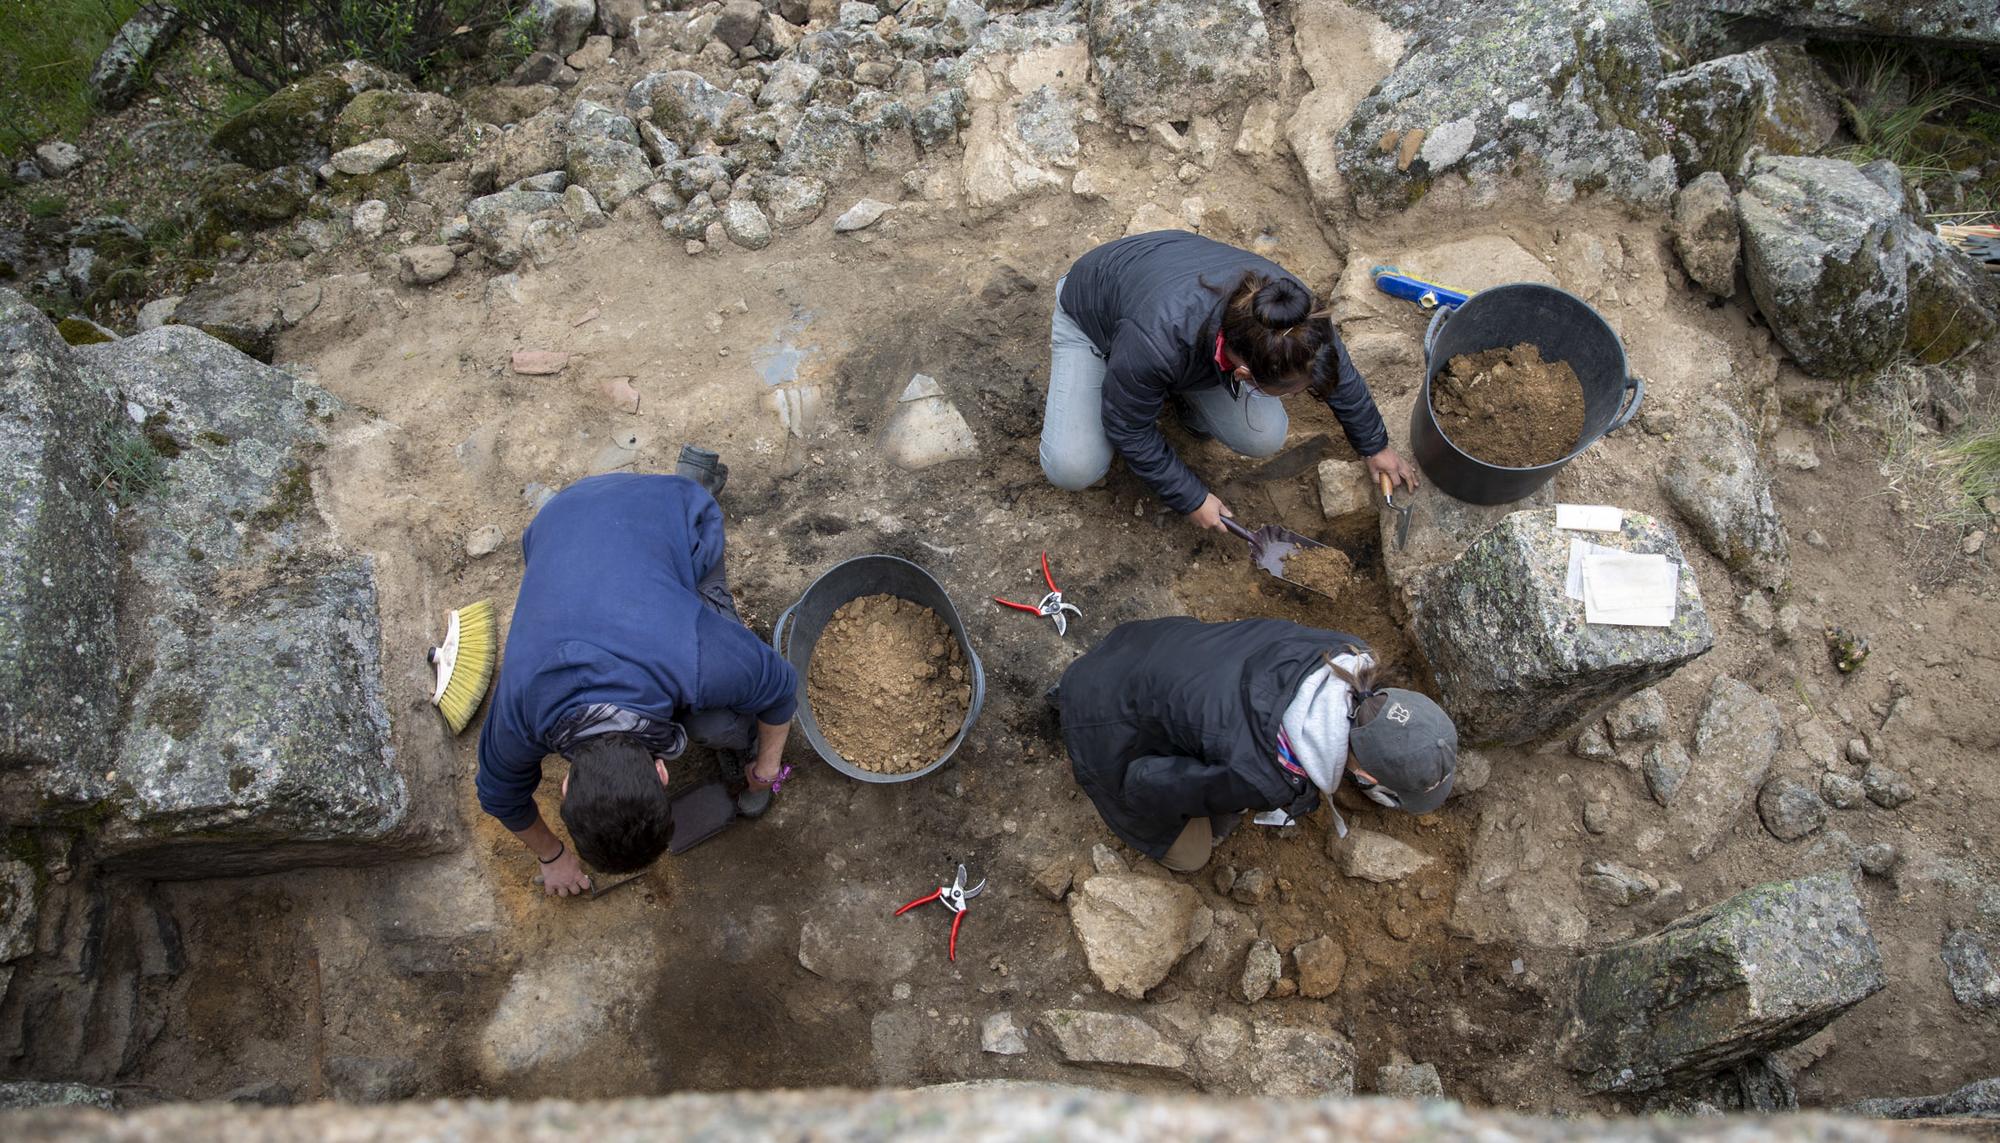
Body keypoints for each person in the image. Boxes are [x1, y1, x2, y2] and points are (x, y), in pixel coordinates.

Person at [476, 469, 796, 896]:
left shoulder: (698, 654)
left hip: (670, 507)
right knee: (709, 718)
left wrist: (767, 764)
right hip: (559, 516)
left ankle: (693, 481)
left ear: (663, 773)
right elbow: (497, 797)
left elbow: (780, 687)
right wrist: (553, 856)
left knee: (718, 725)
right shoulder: (520, 707)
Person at [1041, 230, 1419, 532]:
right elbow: (1129, 428)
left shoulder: (1293, 314)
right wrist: (1191, 498)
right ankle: (1121, 374)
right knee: (1073, 466)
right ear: (1244, 374)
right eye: (1291, 389)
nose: (1301, 393)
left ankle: (1172, 395)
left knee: (1263, 435)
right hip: (1094, 311)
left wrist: (1375, 445)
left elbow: (1337, 372)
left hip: (1169, 297)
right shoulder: (1156, 341)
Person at [1052, 616, 1456, 872]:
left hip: (1142, 643)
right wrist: (1221, 796)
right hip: (1097, 713)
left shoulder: (1344, 651)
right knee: (1192, 856)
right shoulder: (1266, 776)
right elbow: (1142, 783)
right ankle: (1067, 718)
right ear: (1366, 775)